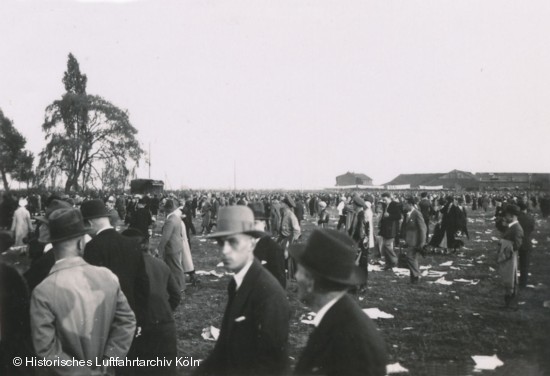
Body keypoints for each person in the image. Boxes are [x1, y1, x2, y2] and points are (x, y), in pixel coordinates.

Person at [30, 208, 136, 375]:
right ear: (81, 243)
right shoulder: (107, 276)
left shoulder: (43, 291)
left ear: (52, 244)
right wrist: (108, 362)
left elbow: (46, 350)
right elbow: (127, 323)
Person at [197, 206, 290, 376]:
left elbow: (272, 365)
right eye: (221, 242)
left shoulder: (268, 293)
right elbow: (223, 347)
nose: (224, 250)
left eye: (233, 242)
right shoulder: (236, 283)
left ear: (251, 243)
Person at [292, 229, 387, 376]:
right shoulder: (336, 317)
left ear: (311, 281)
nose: (296, 277)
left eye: (299, 271)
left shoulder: (349, 341)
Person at [81, 199, 150, 327]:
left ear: (89, 223)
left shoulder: (92, 246)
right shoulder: (131, 243)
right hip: (130, 315)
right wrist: (139, 318)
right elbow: (143, 284)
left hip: (105, 317)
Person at [122, 228, 180, 376]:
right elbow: (176, 295)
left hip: (141, 326)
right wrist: (165, 310)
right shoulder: (161, 264)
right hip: (165, 324)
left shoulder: (127, 268)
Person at [248, 202, 286, 288]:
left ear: (264, 224)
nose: (252, 228)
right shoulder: (244, 246)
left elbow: (280, 283)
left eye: (255, 223)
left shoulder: (273, 249)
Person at [156, 199, 187, 291]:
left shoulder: (170, 220)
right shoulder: (176, 217)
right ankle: (177, 286)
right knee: (175, 267)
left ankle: (181, 287)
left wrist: (159, 250)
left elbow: (165, 237)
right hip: (177, 245)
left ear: (166, 209)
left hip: (172, 247)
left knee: (175, 268)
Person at [497, 205, 524, 309]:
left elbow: (516, 245)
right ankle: (508, 302)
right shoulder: (512, 226)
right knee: (508, 279)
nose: (505, 218)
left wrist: (502, 242)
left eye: (507, 216)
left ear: (512, 216)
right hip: (508, 257)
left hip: (510, 258)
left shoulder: (517, 229)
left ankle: (510, 303)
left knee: (510, 279)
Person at [402, 197, 427, 284]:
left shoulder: (417, 213)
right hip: (410, 240)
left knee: (410, 257)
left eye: (406, 204)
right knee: (413, 258)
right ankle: (414, 277)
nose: (404, 205)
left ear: (411, 204)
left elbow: (423, 229)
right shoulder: (408, 213)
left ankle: (416, 275)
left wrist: (422, 242)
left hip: (416, 240)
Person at [378, 193, 401, 270]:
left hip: (391, 228)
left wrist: (389, 216)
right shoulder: (385, 205)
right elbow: (384, 215)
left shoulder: (394, 204)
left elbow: (398, 216)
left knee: (387, 245)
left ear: (389, 197)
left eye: (385, 199)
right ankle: (388, 264)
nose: (384, 201)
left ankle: (394, 261)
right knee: (385, 246)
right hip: (385, 228)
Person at [517, 202, 535, 288]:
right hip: (526, 242)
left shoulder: (516, 218)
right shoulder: (530, 218)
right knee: (524, 264)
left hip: (515, 242)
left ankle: (512, 280)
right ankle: (523, 283)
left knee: (512, 262)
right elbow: (532, 229)